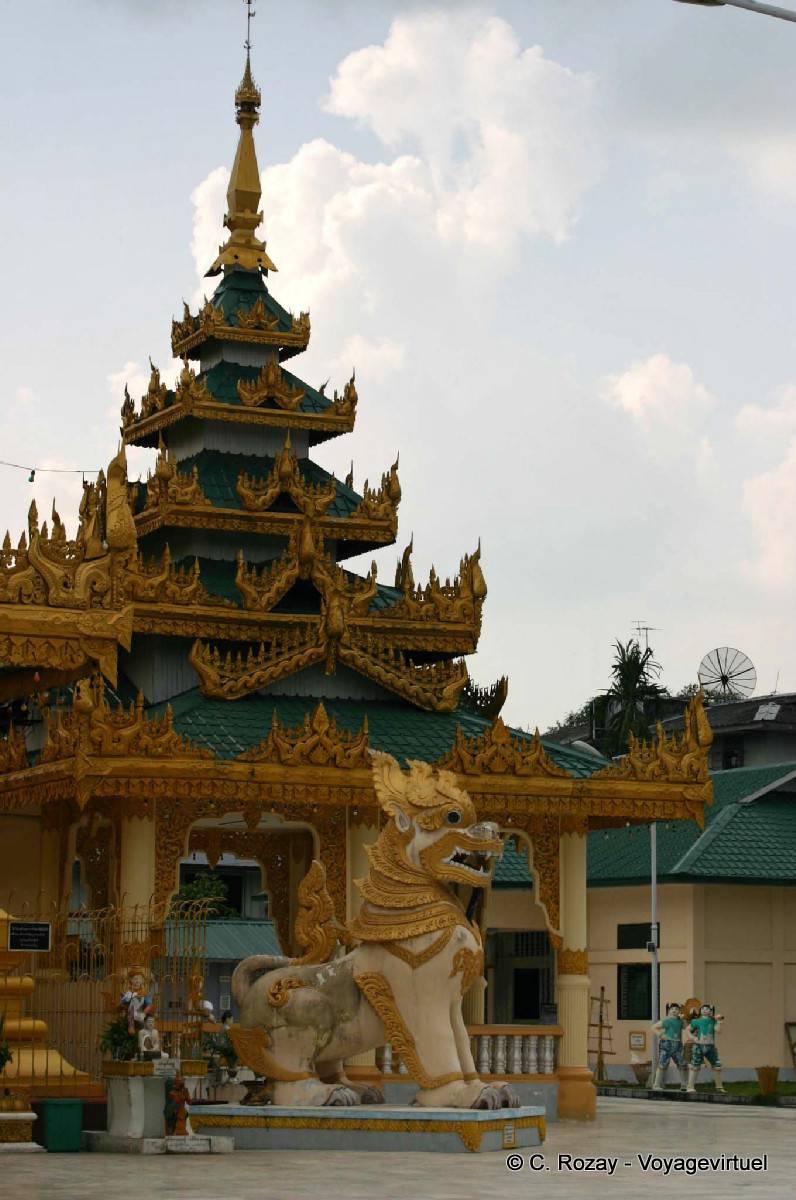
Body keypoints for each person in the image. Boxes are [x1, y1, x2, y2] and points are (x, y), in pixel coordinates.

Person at [687, 1003, 724, 1093]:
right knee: (695, 1066)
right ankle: (690, 1086)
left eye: (707, 1009)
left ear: (711, 1011)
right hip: (698, 1046)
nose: (704, 1010)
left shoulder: (713, 1021)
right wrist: (693, 1038)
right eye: (703, 1008)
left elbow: (718, 1031)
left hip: (710, 1046)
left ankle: (719, 1087)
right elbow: (688, 1030)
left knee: (717, 1065)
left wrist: (718, 1022)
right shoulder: (696, 1021)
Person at [651, 1002, 687, 1091]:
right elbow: (654, 1027)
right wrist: (661, 1035)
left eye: (677, 1009)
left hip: (678, 1044)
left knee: (682, 1064)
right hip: (667, 1044)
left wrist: (683, 1019)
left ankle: (684, 1084)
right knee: (662, 1064)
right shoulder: (666, 1020)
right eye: (672, 1009)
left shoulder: (680, 1021)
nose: (674, 1010)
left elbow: (686, 1027)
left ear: (679, 1011)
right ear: (669, 1011)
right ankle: (656, 1084)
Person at [120, 967, 153, 1035]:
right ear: (131, 980)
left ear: (142, 981)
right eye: (135, 978)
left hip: (141, 1015)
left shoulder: (145, 993)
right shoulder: (128, 993)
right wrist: (126, 1001)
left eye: (139, 979)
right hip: (129, 1016)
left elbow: (149, 1005)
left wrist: (143, 1013)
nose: (137, 981)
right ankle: (131, 1026)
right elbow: (122, 1004)